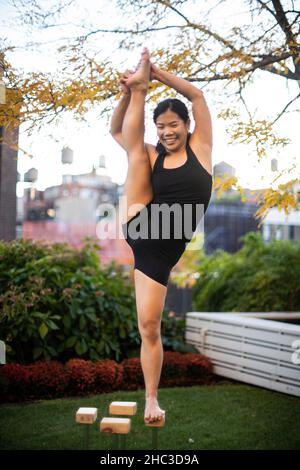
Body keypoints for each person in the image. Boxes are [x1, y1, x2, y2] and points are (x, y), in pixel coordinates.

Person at [110, 47, 213, 424]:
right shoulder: (153, 154)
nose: (168, 132)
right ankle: (151, 399)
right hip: (143, 230)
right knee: (136, 153)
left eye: (174, 125)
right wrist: (129, 93)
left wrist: (156, 72)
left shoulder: (201, 149)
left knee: (150, 325)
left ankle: (142, 83)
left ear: (186, 125)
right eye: (162, 127)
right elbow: (115, 130)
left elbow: (197, 96)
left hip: (165, 247)